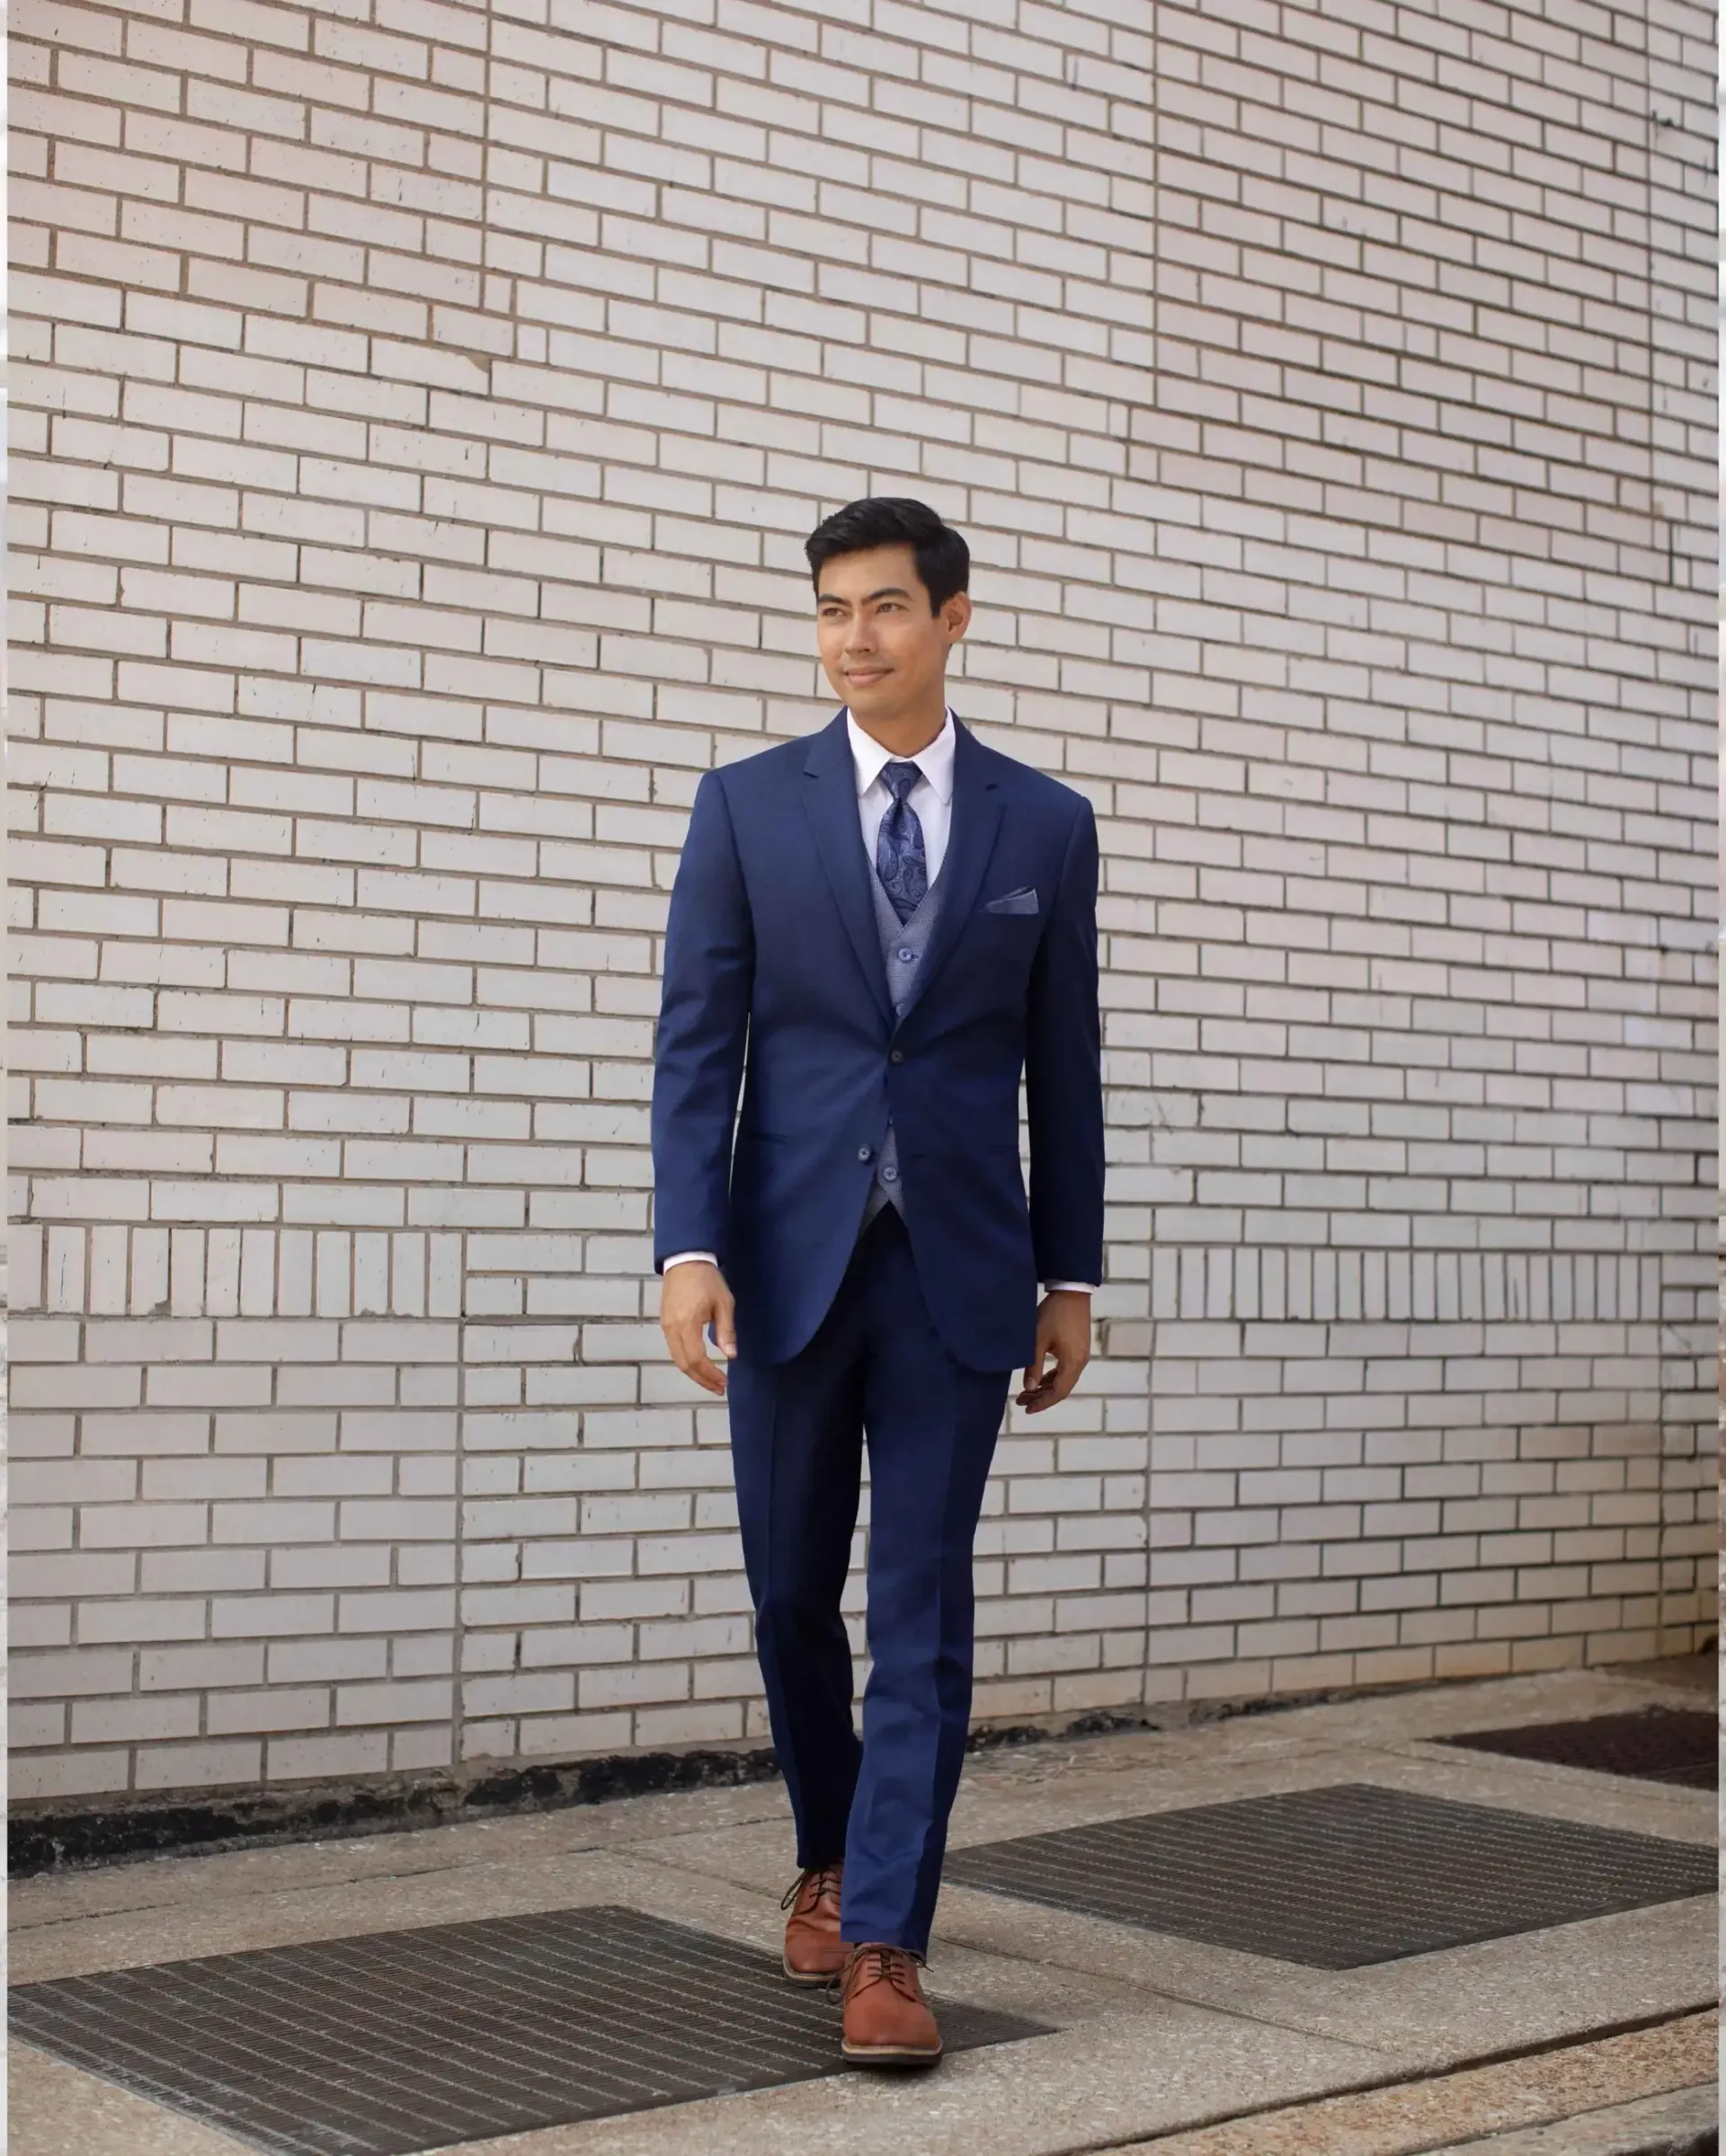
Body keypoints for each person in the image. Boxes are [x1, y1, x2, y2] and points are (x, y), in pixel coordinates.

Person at [651, 496, 1104, 2065]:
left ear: (954, 615)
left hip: (960, 1271)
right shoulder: (746, 807)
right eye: (833, 609)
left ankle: (888, 1942)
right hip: (785, 1265)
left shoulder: (1044, 824)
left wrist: (1071, 1272)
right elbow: (698, 1047)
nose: (856, 636)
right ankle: (829, 1851)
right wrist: (686, 1247)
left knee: (919, 1604)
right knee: (791, 1592)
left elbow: (1067, 1069)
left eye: (888, 607)